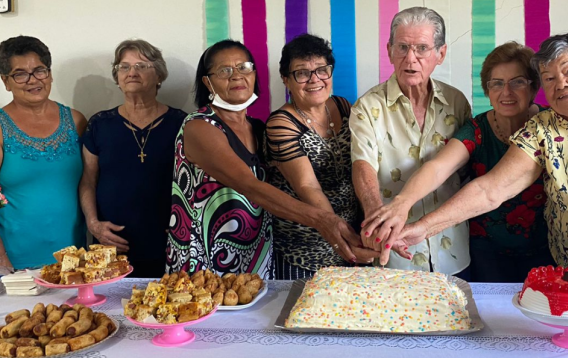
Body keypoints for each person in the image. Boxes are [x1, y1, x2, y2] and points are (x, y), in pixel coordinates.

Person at [387, 33, 568, 269]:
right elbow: (490, 190)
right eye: (550, 78)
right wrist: (422, 227)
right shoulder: (542, 129)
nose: (561, 84)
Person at [166, 40, 377, 277]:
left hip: (256, 256)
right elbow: (250, 186)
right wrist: (325, 221)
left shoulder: (256, 127)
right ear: (208, 81)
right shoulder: (199, 126)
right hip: (205, 258)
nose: (236, 76)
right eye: (225, 70)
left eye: (244, 67)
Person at [362, 42, 552, 282]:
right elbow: (438, 167)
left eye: (517, 82)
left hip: (545, 249)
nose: (507, 92)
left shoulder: (550, 126)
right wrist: (402, 203)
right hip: (486, 251)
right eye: (497, 83)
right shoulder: (477, 130)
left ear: (534, 86)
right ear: (487, 89)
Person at [350, 7, 471, 276]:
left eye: (422, 48)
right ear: (389, 50)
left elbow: (464, 167)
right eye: (402, 47)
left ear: (440, 54)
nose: (410, 58)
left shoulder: (457, 102)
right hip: (394, 253)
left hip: (451, 246)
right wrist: (375, 220)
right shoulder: (367, 107)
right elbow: (362, 165)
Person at [79, 39, 186, 277]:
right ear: (117, 78)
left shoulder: (182, 124)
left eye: (141, 66)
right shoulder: (99, 124)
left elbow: (195, 184)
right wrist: (94, 224)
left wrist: (184, 227)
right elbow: (88, 180)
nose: (131, 72)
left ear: (159, 75)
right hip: (111, 244)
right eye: (124, 67)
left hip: (169, 243)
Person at [265, 34, 363, 279]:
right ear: (286, 80)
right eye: (302, 73)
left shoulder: (343, 106)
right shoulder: (280, 124)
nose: (314, 79)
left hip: (352, 240)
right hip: (305, 250)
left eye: (322, 70)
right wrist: (344, 240)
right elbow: (308, 187)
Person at [0, 36, 87, 269]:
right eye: (20, 74)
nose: (32, 80)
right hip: (16, 259)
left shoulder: (76, 121)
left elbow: (90, 183)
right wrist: (1, 260)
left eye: (39, 70)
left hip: (74, 258)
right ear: (6, 81)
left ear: (49, 74)